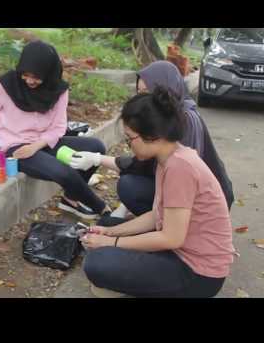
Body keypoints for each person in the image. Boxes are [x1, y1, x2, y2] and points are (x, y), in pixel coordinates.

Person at [79, 87, 235, 298]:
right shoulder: (170, 158)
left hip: (198, 274)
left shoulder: (180, 168)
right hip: (180, 251)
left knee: (97, 263)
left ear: (152, 136)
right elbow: (157, 215)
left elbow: (171, 238)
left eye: (130, 139)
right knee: (106, 225)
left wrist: (110, 243)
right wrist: (111, 234)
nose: (129, 145)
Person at [70, 61, 234, 219]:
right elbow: (144, 163)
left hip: (201, 208)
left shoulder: (185, 121)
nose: (143, 97)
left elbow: (154, 168)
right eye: (139, 92)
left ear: (165, 89)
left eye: (148, 91)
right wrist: (96, 159)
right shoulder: (168, 115)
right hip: (182, 199)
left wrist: (119, 234)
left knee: (130, 187)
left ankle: (164, 224)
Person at [0, 40, 110, 220]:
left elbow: (59, 126)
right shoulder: (6, 85)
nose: (30, 81)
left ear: (49, 73)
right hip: (16, 148)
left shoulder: (58, 90)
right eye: (26, 75)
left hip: (44, 142)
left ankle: (70, 199)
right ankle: (102, 209)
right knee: (64, 172)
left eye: (36, 77)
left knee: (96, 147)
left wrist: (36, 146)